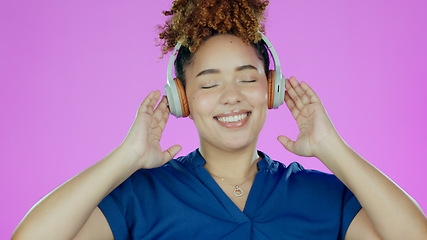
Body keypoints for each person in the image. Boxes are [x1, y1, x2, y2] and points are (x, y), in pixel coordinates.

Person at [12, 0, 427, 239]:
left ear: (271, 89)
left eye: (247, 79)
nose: (231, 97)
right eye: (209, 84)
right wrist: (127, 157)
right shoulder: (141, 197)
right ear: (182, 98)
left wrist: (332, 149)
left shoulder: (322, 196)